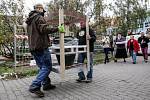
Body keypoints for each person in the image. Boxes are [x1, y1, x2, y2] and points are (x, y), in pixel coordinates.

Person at [26, 4, 64, 97]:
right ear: (39, 9)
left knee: (42, 67)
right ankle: (35, 86)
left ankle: (46, 84)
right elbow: (44, 29)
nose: (43, 11)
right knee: (47, 67)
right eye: (42, 9)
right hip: (41, 47)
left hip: (33, 47)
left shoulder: (29, 21)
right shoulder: (39, 17)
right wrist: (57, 28)